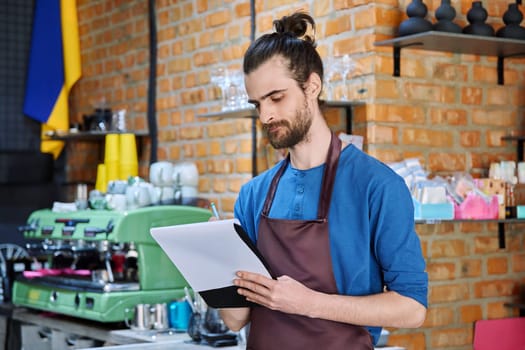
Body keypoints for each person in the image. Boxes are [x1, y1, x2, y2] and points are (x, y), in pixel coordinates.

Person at [219, 11, 428, 349]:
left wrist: (309, 304)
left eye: (276, 97)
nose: (265, 115)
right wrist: (207, 264)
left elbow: (413, 308)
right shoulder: (253, 195)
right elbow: (236, 319)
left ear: (312, 86)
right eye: (257, 104)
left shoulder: (377, 186)